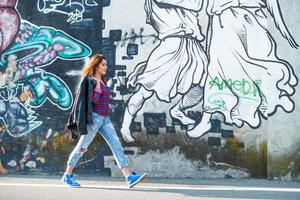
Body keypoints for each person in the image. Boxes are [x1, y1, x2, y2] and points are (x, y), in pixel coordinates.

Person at [188, 0, 298, 137]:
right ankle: (205, 120)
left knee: (254, 67)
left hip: (248, 20)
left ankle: (275, 94)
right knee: (216, 71)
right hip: (224, 22)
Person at [121, 0, 208, 142]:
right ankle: (125, 126)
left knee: (202, 86)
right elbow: (196, 4)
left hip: (193, 45)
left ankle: (177, 110)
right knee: (146, 90)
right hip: (171, 45)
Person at [62, 54, 147, 188]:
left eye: (106, 64)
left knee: (116, 145)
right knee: (82, 147)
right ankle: (67, 175)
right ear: (95, 66)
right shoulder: (90, 81)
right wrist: (97, 89)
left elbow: (104, 99)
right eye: (103, 65)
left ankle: (129, 176)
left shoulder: (102, 80)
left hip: (105, 119)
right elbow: (90, 102)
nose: (106, 67)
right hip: (94, 119)